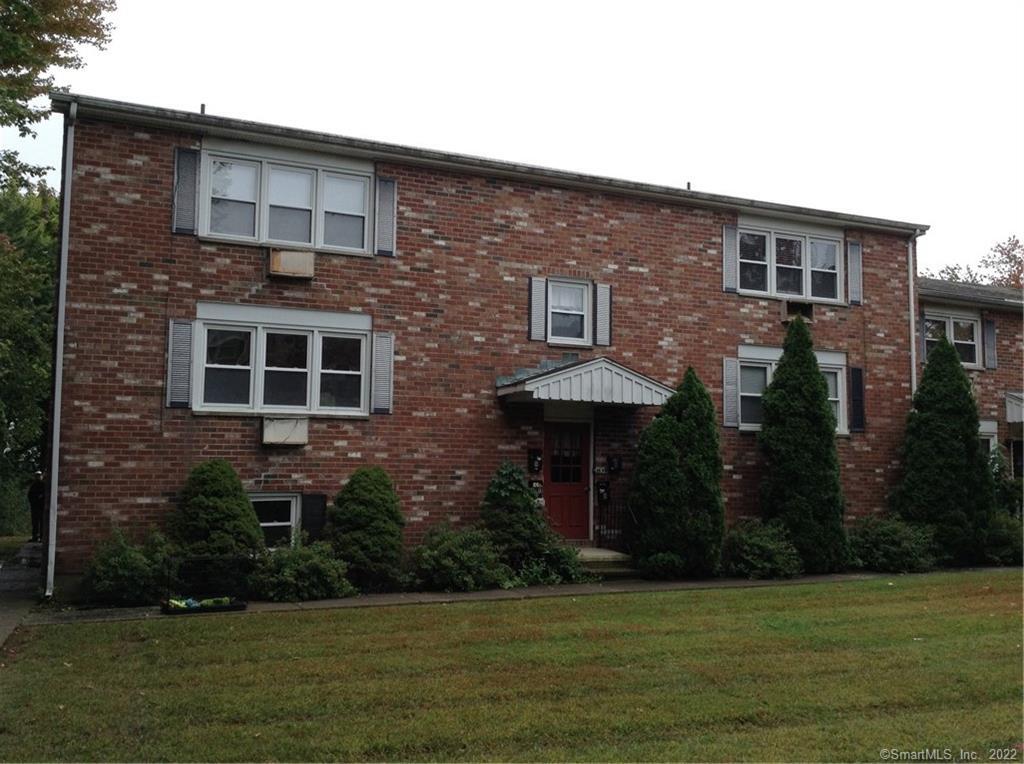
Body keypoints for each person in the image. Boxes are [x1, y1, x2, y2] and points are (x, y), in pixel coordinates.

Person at [28, 472, 45, 543]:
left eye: (39, 476)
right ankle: (35, 536)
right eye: (36, 476)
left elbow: (45, 495)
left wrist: (40, 498)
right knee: (35, 522)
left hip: (41, 507)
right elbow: (29, 495)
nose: (38, 477)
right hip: (35, 507)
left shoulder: (44, 485)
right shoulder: (33, 485)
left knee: (42, 522)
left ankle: (42, 537)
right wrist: (33, 501)